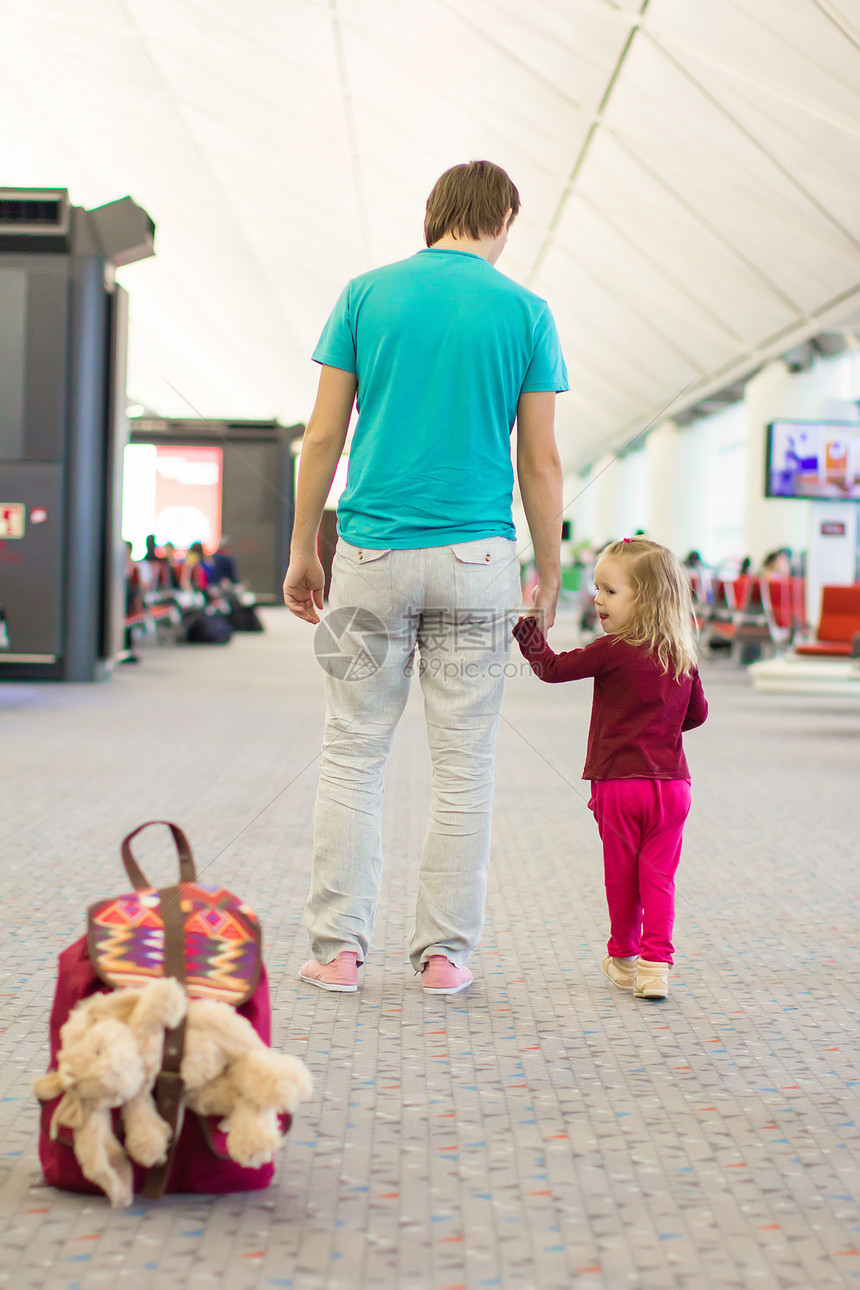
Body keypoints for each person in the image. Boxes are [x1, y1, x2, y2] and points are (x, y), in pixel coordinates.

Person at [283, 160, 568, 995]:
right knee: (464, 764)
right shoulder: (527, 313)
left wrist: (307, 546)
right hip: (477, 560)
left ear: (433, 214)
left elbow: (324, 435)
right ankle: (444, 956)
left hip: (368, 553)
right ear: (505, 219)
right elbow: (541, 461)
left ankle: (338, 951)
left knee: (350, 755)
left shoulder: (366, 295)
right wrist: (548, 574)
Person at [512, 538, 708, 1001]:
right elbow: (697, 715)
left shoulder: (612, 649)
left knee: (622, 877)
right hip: (673, 788)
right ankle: (656, 966)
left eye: (609, 591)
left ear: (645, 598)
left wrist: (529, 634)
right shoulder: (681, 654)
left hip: (621, 787)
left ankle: (623, 956)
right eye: (597, 588)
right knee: (658, 878)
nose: (597, 598)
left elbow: (553, 670)